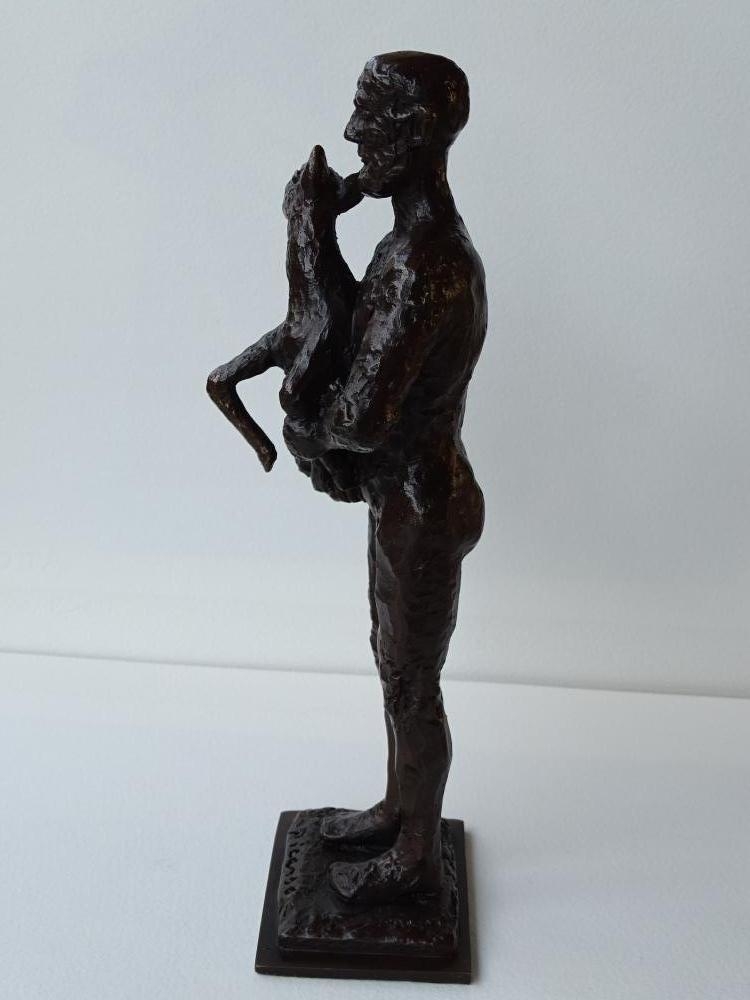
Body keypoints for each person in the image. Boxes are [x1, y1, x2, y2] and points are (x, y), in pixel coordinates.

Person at [209, 51, 486, 905]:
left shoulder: (425, 263)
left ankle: (415, 857)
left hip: (421, 503)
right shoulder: (407, 248)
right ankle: (401, 810)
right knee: (393, 668)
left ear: (416, 133)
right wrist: (317, 234)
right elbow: (339, 337)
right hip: (404, 497)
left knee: (412, 683)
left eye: (371, 118)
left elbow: (361, 415)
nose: (352, 134)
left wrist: (301, 423)